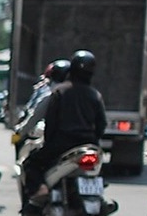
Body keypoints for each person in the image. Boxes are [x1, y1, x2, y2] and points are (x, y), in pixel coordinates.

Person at [20, 50, 107, 200]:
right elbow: (101, 124)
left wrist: (49, 142)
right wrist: (93, 141)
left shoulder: (59, 92)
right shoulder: (95, 95)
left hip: (61, 144)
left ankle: (40, 191)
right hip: (88, 145)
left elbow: (51, 122)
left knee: (30, 164)